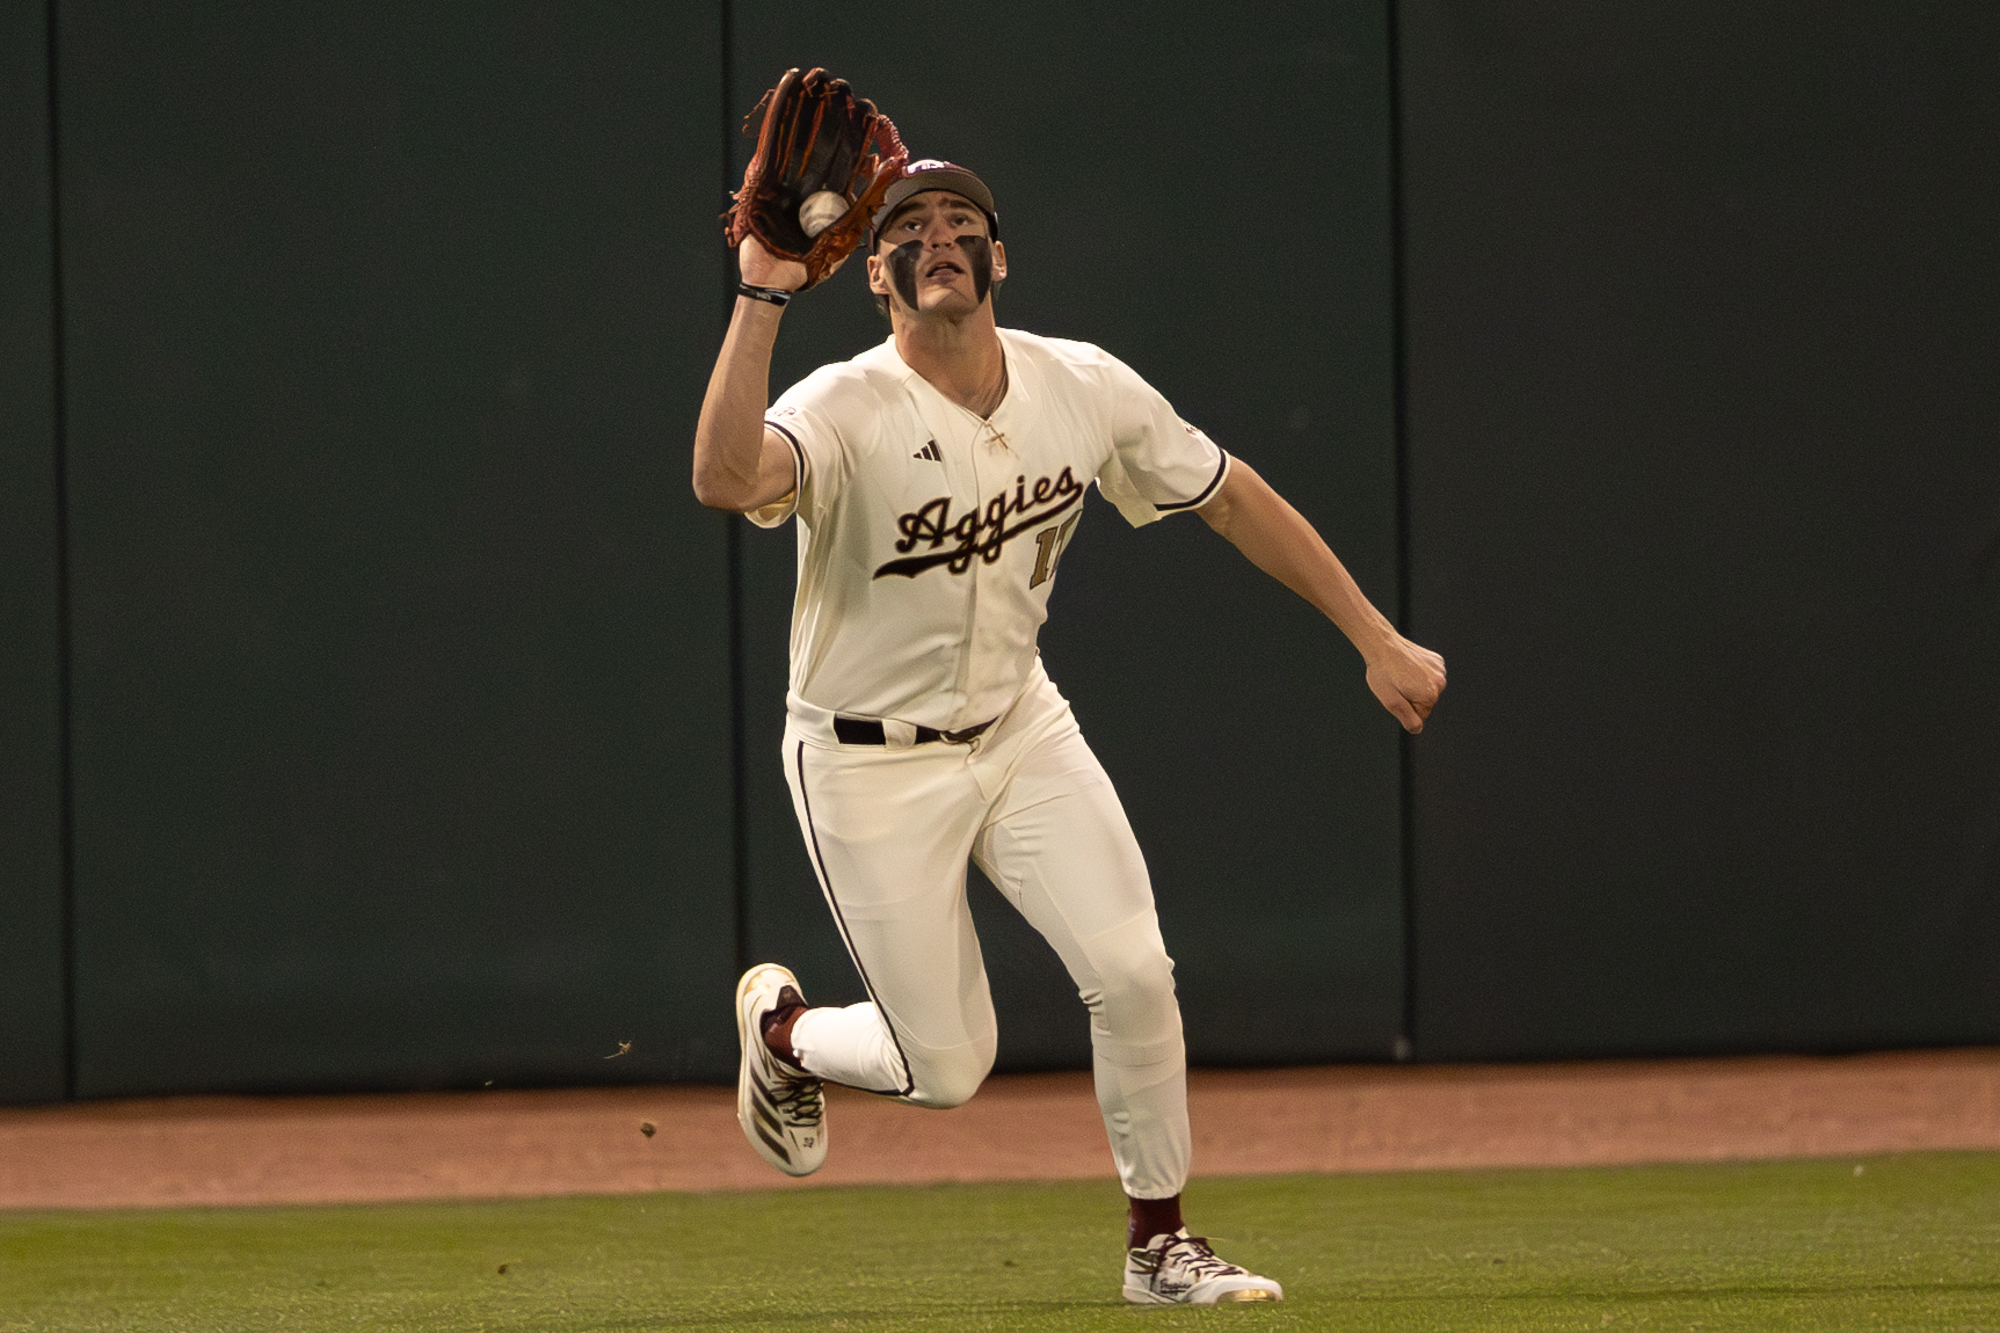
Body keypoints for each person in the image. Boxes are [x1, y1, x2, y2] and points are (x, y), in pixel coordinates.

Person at [693, 159, 1445, 1306]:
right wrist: (759, 294)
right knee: (945, 1069)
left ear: (998, 259)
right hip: (863, 758)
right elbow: (722, 476)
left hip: (1017, 726)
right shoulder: (839, 406)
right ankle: (784, 1033)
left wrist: (1372, 634)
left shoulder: (1079, 383)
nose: (939, 237)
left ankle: (1158, 1246)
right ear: (875, 276)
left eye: (962, 223)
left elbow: (1231, 493)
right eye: (909, 226)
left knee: (1135, 971)